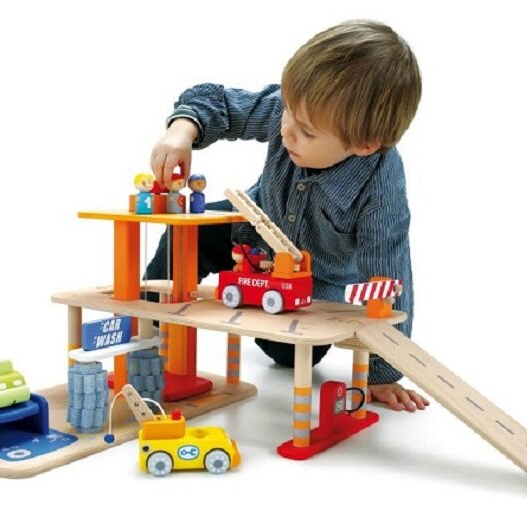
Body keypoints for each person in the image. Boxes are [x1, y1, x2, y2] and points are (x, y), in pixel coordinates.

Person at [147, 20, 428, 412]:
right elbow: (222, 104)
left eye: (307, 132)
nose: (287, 132)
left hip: (309, 285)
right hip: (249, 230)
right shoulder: (294, 114)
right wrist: (182, 130)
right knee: (187, 234)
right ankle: (146, 324)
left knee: (289, 353)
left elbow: (389, 279)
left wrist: (383, 374)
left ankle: (267, 320)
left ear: (365, 145)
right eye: (288, 113)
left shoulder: (381, 189)